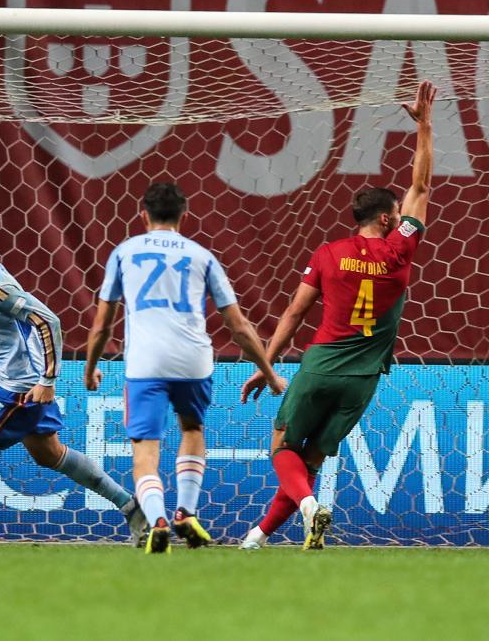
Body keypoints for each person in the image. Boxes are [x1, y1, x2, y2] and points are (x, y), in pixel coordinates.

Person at [238, 80, 437, 551]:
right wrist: (425, 125)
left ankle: (306, 510)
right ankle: (255, 540)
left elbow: (292, 313)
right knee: (310, 464)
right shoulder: (399, 250)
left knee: (284, 450)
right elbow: (421, 185)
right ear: (389, 219)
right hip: (364, 378)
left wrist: (265, 364)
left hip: (322, 364)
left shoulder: (329, 254)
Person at [0, 219, 147, 545]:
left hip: (19, 391)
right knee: (51, 455)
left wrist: (48, 379)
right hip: (20, 386)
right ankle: (131, 506)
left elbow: (47, 320)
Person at [84, 182, 284, 554]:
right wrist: (270, 374)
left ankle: (157, 518)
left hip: (146, 362)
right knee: (192, 428)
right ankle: (186, 512)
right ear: (184, 216)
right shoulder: (202, 256)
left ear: (142, 214)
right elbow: (238, 326)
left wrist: (91, 367)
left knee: (145, 449)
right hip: (194, 360)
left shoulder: (124, 253)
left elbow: (103, 325)